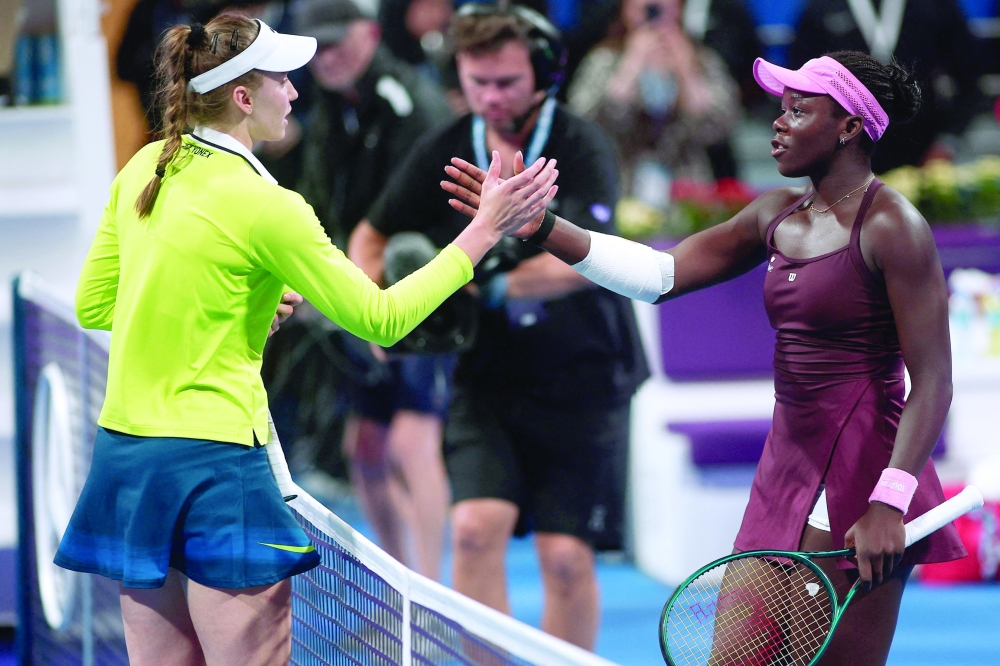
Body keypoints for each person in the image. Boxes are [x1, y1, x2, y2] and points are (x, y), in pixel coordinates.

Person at [51, 12, 556, 665]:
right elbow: (382, 318)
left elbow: (96, 305)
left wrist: (238, 314)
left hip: (127, 458)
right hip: (217, 467)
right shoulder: (271, 207)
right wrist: (484, 229)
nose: (294, 92)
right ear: (242, 97)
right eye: (281, 80)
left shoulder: (150, 162)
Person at [444, 50, 967, 665]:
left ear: (849, 126)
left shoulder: (893, 228)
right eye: (780, 109)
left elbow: (933, 380)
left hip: (863, 476)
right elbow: (658, 274)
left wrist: (890, 500)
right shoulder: (775, 215)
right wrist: (538, 225)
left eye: (799, 111)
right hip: (786, 466)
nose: (777, 123)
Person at [348, 2, 649, 650]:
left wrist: (484, 287)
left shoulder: (580, 143)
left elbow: (593, 257)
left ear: (543, 74)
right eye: (476, 80)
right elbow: (369, 235)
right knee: (474, 532)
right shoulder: (449, 143)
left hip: (585, 377)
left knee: (566, 559)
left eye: (506, 82)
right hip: (488, 378)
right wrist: (373, 305)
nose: (489, 96)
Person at [277, 0, 458, 581]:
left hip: (418, 294)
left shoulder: (413, 109)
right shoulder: (328, 106)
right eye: (317, 46)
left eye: (338, 43)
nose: (326, 58)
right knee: (365, 451)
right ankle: (397, 583)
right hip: (353, 296)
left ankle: (431, 602)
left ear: (372, 33)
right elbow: (317, 203)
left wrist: (375, 298)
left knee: (412, 442)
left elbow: (418, 221)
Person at [567, 0, 739, 210]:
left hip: (688, 190)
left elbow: (720, 124)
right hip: (620, 186)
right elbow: (587, 122)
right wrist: (631, 64)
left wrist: (687, 72)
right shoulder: (602, 60)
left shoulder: (703, 59)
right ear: (624, 9)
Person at [789, 0, 985, 172]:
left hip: (923, 154)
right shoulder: (822, 6)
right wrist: (818, 147)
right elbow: (798, 84)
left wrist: (947, 142)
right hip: (845, 152)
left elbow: (971, 81)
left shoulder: (934, 4)